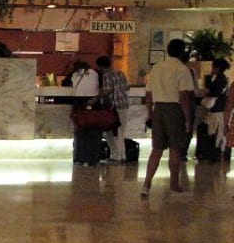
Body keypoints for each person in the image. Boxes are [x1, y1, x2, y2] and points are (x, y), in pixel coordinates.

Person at [141, 39, 195, 197]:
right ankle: (174, 185)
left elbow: (148, 95)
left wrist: (149, 114)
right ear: (182, 52)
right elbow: (184, 96)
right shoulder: (182, 69)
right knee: (175, 148)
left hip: (158, 109)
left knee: (156, 149)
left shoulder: (156, 68)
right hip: (175, 110)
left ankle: (146, 184)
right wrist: (187, 119)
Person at [92, 56, 130, 163]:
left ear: (101, 66)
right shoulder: (120, 73)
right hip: (124, 105)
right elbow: (127, 87)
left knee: (112, 133)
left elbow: (107, 90)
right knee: (121, 132)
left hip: (113, 108)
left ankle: (116, 156)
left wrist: (95, 98)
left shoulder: (106, 75)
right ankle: (122, 156)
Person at [195, 58, 228, 162]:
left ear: (217, 68)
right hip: (217, 110)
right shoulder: (221, 78)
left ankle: (213, 153)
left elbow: (214, 93)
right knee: (215, 132)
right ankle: (214, 153)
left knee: (214, 132)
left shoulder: (219, 80)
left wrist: (205, 93)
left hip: (216, 111)